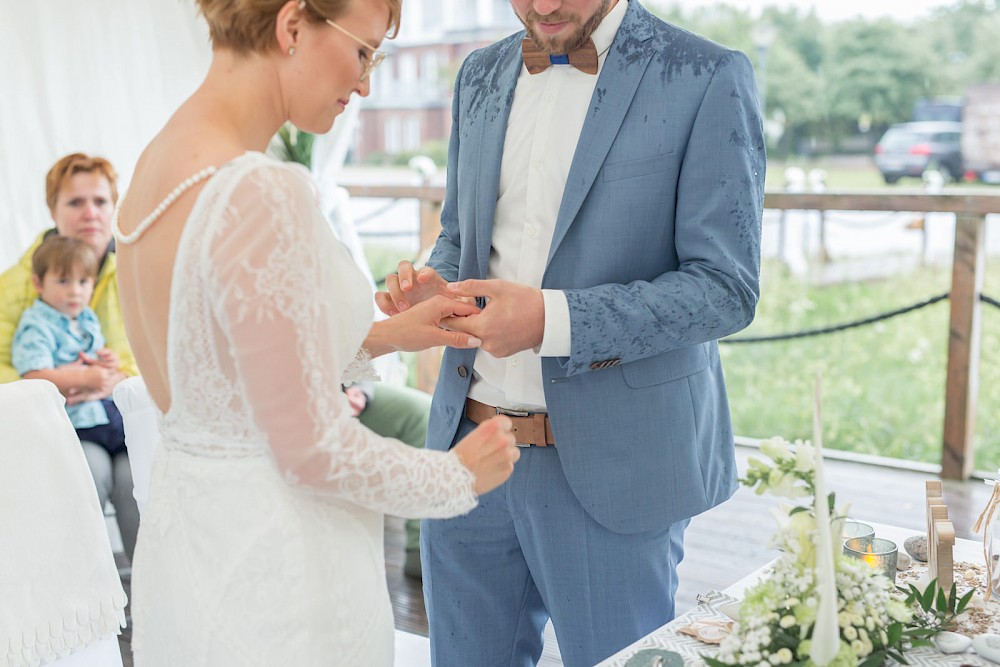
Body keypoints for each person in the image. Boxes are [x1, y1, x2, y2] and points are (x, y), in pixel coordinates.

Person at [111, 0, 519, 663]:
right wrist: (456, 475)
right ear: (293, 24)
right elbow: (311, 450)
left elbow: (221, 368)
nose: (364, 86)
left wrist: (387, 334)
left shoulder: (161, 162)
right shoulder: (261, 190)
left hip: (190, 550)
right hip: (277, 568)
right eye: (364, 52)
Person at [377, 0, 766, 663]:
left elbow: (725, 288)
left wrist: (552, 320)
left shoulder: (707, 75)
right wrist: (434, 287)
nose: (545, 6)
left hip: (616, 464)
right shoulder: (478, 74)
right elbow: (462, 237)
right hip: (467, 449)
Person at [0, 152, 140, 563]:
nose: (90, 213)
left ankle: (149, 606)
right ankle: (82, 609)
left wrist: (113, 378)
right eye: (75, 202)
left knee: (140, 479)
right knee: (86, 476)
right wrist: (57, 385)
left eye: (100, 201)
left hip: (118, 417)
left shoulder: (132, 273)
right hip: (52, 424)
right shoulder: (17, 284)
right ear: (53, 210)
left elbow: (147, 356)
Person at [12, 236, 127, 458]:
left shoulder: (86, 317)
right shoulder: (36, 324)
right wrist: (85, 378)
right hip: (74, 419)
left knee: (143, 435)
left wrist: (107, 362)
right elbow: (33, 377)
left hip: (102, 408)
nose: (75, 291)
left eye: (83, 282)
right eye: (63, 281)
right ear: (39, 284)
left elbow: (95, 357)